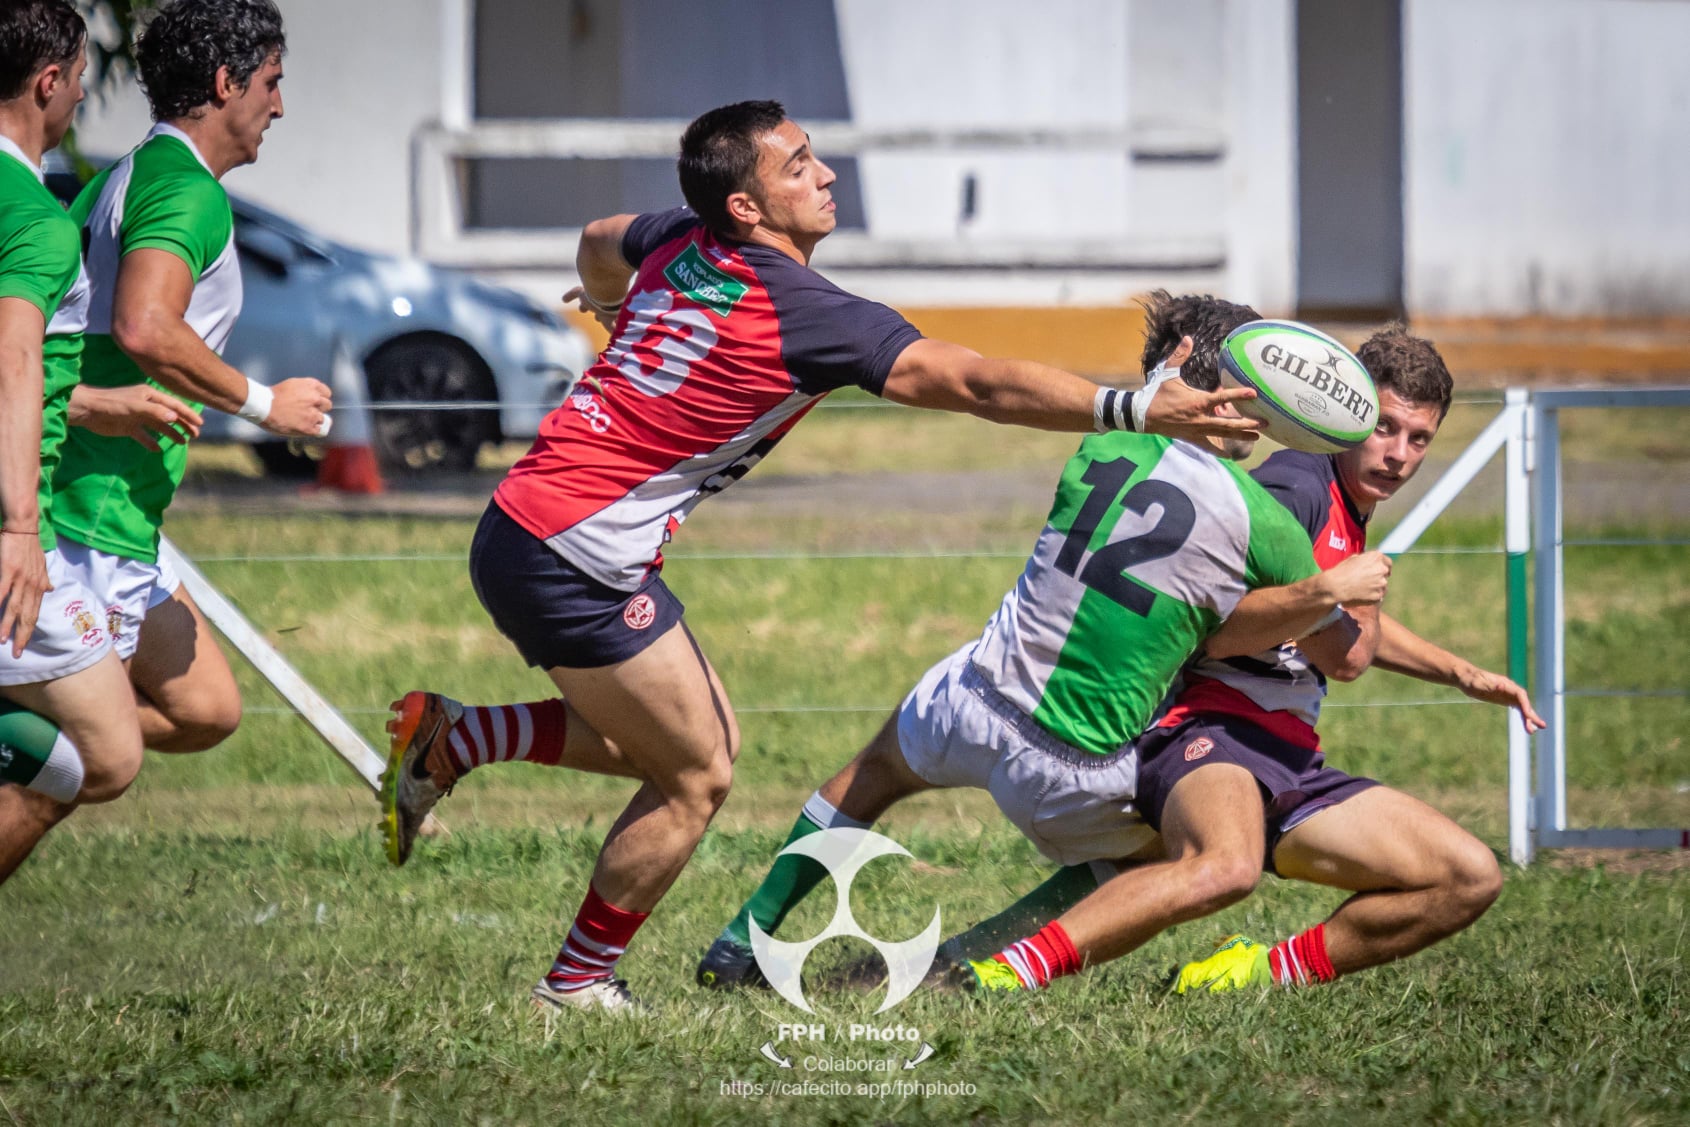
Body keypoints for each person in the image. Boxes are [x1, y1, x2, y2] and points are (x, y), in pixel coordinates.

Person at [379, 102, 1268, 1014]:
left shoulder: (677, 239)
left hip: (524, 524)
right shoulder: (810, 313)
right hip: (577, 554)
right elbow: (974, 382)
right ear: (748, 208)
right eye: (798, 166)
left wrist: (613, 311)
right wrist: (1133, 407)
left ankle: (461, 737)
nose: (826, 174)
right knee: (697, 772)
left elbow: (599, 239)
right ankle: (573, 985)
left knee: (683, 733)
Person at [697, 291, 1393, 992]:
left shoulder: (1104, 437)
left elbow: (1147, 412)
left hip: (972, 701)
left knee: (873, 768)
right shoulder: (1266, 522)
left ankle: (737, 941)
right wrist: (1338, 586)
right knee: (1169, 856)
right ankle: (963, 961)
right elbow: (1348, 657)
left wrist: (1157, 383)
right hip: (1074, 771)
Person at [944, 324, 1546, 997]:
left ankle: (1249, 972)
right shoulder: (1298, 487)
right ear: (1344, 414)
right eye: (1384, 428)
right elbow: (1220, 626)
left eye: (1419, 439)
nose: (1399, 455)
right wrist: (1332, 598)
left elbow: (1334, 627)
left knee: (1467, 875)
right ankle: (1004, 974)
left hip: (1285, 755)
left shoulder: (1347, 498)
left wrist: (1459, 672)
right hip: (1206, 730)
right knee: (1221, 864)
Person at [49, 0, 329, 756]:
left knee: (206, 708)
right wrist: (269, 404)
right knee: (87, 758)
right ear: (223, 82)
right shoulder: (186, 190)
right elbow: (146, 326)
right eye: (271, 81)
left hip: (116, 508)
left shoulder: (138, 171)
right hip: (90, 515)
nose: (280, 103)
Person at [0, 0, 189, 888]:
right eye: (80, 79)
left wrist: (96, 400)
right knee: (99, 754)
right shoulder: (34, 221)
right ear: (48, 83)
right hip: (8, 531)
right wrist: (16, 528)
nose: (84, 95)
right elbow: (12, 367)